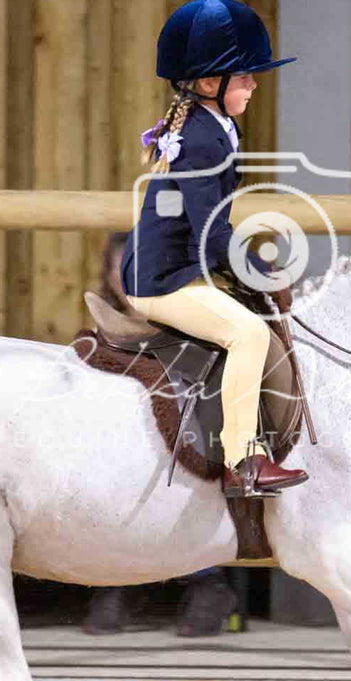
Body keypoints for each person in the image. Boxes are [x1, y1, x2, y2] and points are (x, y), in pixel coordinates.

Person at [122, 0, 307, 500]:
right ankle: (243, 459)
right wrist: (263, 274)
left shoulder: (216, 127)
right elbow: (212, 231)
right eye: (244, 76)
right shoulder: (203, 139)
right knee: (249, 334)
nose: (253, 83)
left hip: (186, 263)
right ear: (210, 83)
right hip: (162, 279)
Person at [82, 232, 239, 637]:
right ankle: (120, 579)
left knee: (195, 465)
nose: (128, 275)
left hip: (184, 434)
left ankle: (209, 582)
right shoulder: (99, 327)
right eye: (120, 266)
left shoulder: (193, 317)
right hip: (122, 438)